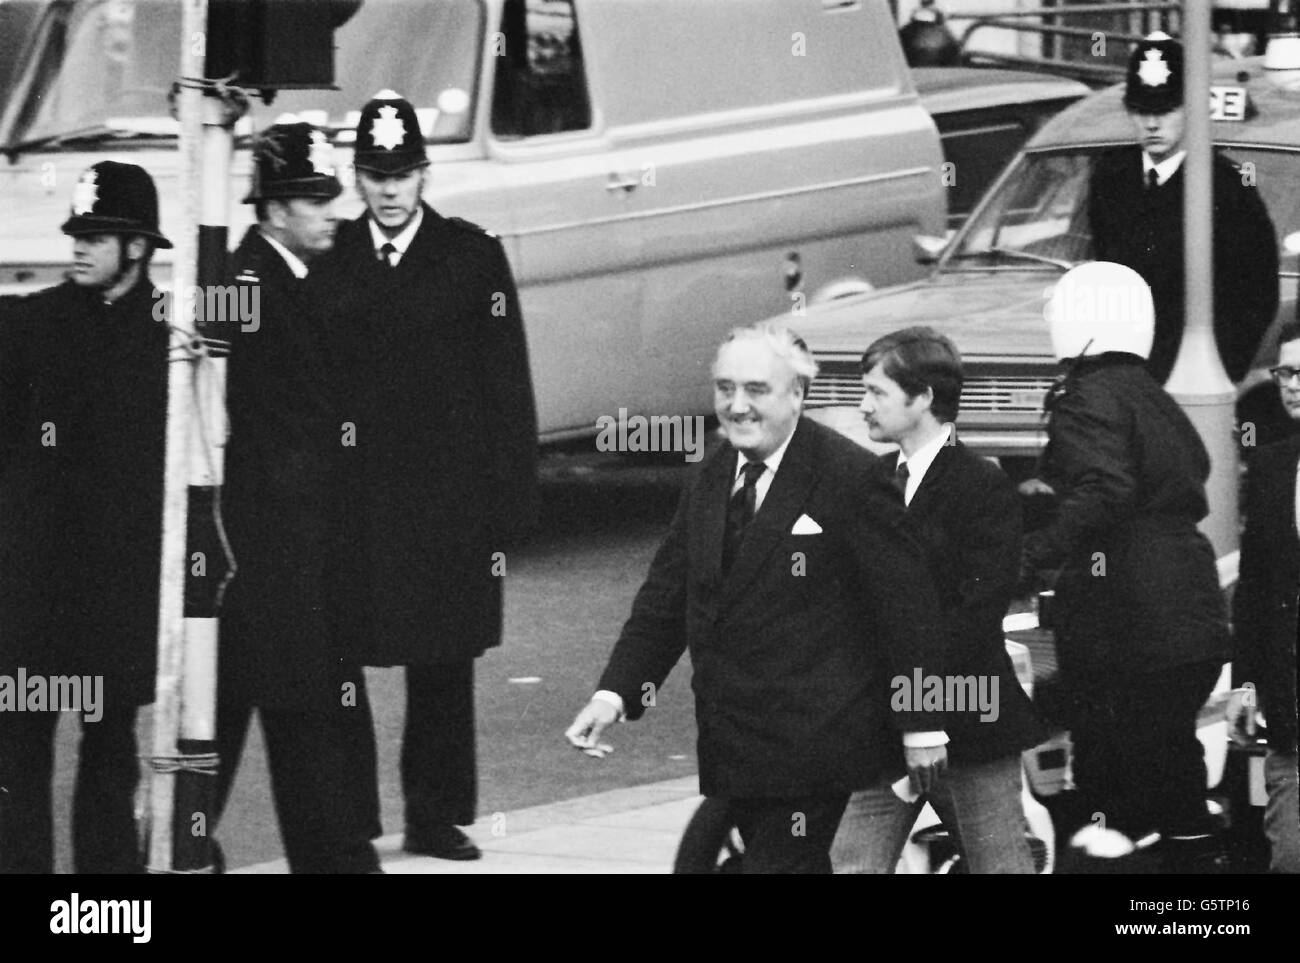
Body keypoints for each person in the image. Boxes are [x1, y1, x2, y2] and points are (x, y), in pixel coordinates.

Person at [566, 322, 951, 874]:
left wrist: (922, 726)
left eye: (755, 390)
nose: (736, 406)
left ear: (797, 394)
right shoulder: (709, 477)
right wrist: (615, 693)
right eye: (725, 388)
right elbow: (667, 598)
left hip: (822, 749)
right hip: (736, 745)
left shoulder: (851, 478)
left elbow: (906, 610)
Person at [317, 90, 539, 861]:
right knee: (339, 663)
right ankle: (350, 820)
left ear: (425, 172)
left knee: (442, 664)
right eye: (375, 172)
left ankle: (434, 813)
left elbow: (507, 384)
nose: (388, 187)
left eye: (402, 171)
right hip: (353, 501)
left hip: (447, 503)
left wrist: (511, 504)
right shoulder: (332, 255)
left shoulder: (472, 255)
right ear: (355, 176)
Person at [212, 118, 381, 873]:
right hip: (274, 546)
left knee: (266, 716)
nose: (333, 211)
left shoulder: (297, 276)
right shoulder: (251, 288)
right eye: (315, 199)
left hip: (303, 546)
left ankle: (177, 851)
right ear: (275, 208)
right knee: (290, 717)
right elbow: (271, 424)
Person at [1022, 261, 1230, 871]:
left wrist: (1031, 556)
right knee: (1174, 774)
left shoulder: (1085, 398)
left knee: (1111, 790)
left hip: (1125, 624)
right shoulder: (1154, 397)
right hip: (1187, 614)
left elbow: (1103, 489)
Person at [0, 161, 171, 872]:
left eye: (97, 236)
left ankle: (107, 904)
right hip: (35, 589)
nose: (77, 246)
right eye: (77, 232)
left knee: (110, 752)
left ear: (136, 247)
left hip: (116, 593)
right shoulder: (30, 322)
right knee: (19, 752)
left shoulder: (172, 336)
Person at [831, 326, 1043, 874]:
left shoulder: (982, 486)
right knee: (851, 865)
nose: (863, 405)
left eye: (876, 392)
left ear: (923, 397)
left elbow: (972, 617)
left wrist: (918, 712)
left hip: (969, 725)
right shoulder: (870, 481)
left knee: (1001, 866)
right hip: (887, 728)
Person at [1087, 32, 1278, 386]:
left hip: (1190, 380)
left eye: (1165, 110)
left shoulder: (1226, 188)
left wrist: (1215, 374)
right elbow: (1105, 268)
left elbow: (1256, 294)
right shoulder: (1112, 177)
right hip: (1123, 377)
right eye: (1142, 111)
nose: (1153, 124)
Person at [1226, 319, 1300, 873]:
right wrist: (1245, 685)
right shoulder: (1272, 465)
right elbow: (1253, 592)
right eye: (1285, 372)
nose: (1291, 384)